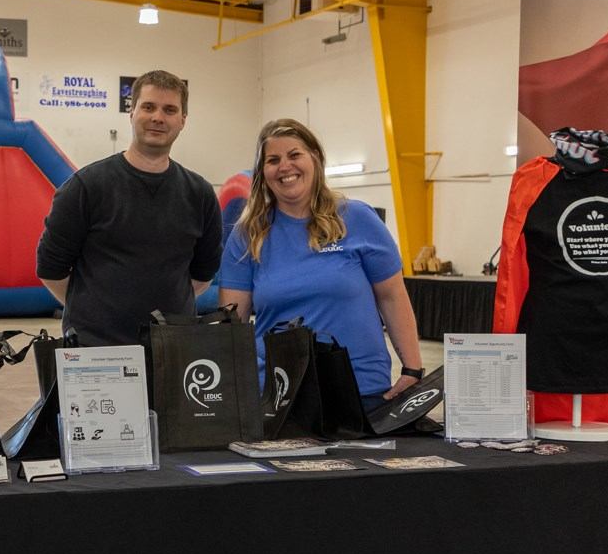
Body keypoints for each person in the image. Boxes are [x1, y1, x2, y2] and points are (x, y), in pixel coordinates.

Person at [219, 119, 423, 407]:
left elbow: (392, 296)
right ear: (262, 172)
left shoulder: (357, 218)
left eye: (294, 155)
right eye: (273, 160)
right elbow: (232, 324)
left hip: (360, 387)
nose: (285, 166)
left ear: (315, 157)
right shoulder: (248, 235)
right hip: (281, 394)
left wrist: (412, 369)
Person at [36, 70, 222, 346]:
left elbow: (202, 276)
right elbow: (51, 269)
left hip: (171, 349)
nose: (158, 117)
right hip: (97, 350)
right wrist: (94, 311)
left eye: (169, 110)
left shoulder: (200, 195)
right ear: (132, 113)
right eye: (148, 107)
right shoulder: (86, 187)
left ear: (183, 120)